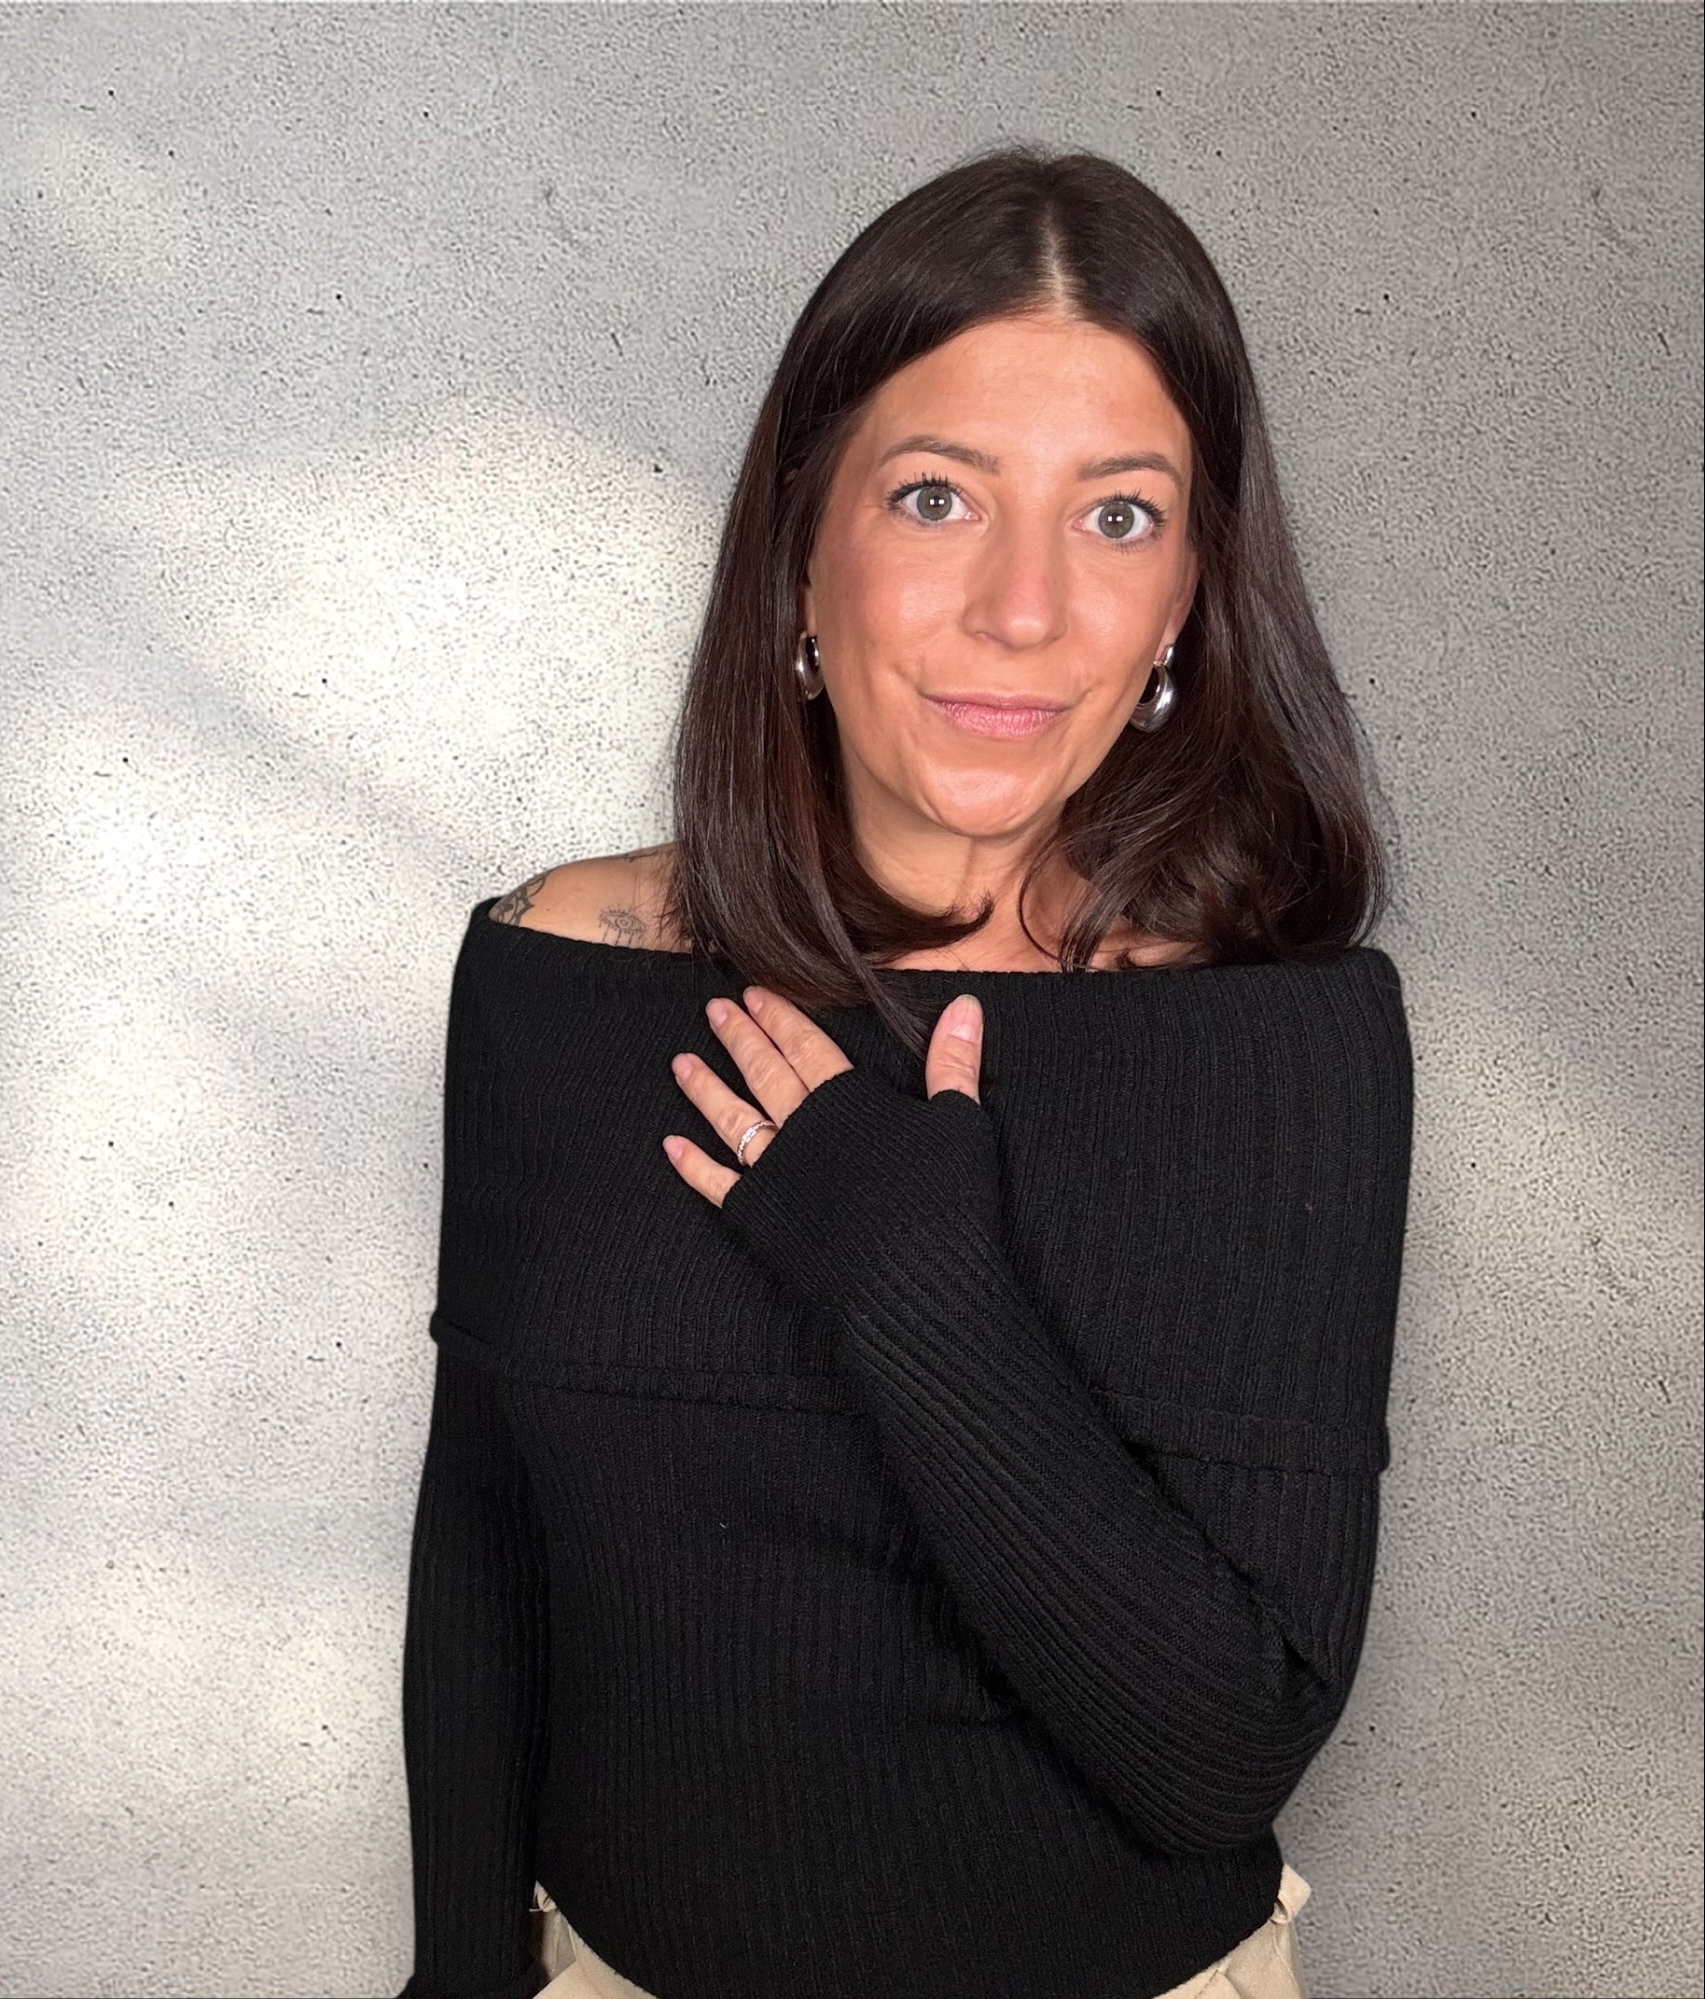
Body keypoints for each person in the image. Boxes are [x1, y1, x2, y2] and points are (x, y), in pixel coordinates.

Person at [395, 146, 1413, 1999]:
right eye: (938, 496)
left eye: (1119, 517)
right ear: (803, 547)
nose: (1025, 608)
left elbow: (1216, 1754)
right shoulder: (559, 966)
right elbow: (485, 1537)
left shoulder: (1277, 1045)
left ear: (1186, 601)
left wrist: (906, 1273)